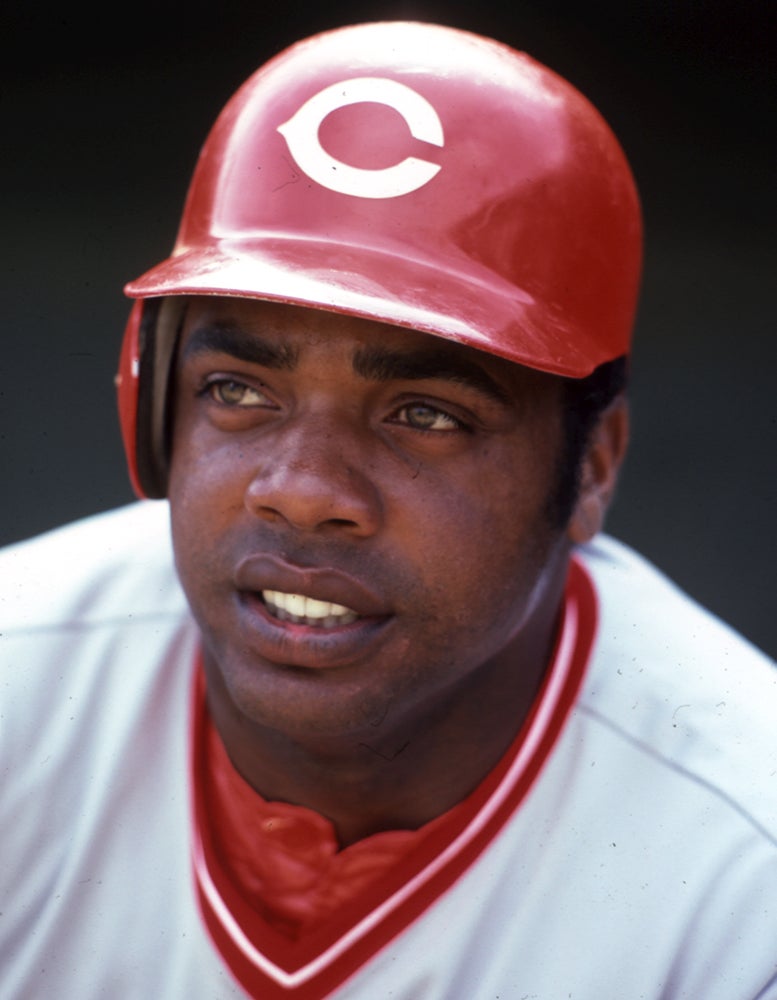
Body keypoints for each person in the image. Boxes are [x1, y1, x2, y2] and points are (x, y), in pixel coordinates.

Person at [1, 20, 775, 1000]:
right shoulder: (16, 684)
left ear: (591, 469)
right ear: (153, 407)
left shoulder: (748, 882)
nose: (305, 489)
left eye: (424, 413)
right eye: (239, 389)